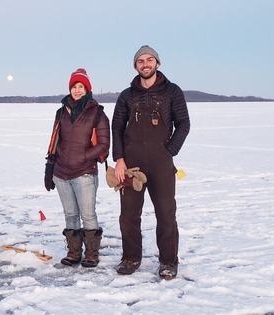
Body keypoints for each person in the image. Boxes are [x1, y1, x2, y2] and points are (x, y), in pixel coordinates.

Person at [111, 45, 190, 280]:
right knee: (128, 215)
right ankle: (131, 257)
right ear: (135, 66)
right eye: (140, 61)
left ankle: (168, 261)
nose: (145, 64)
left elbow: (183, 124)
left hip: (161, 163)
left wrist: (169, 151)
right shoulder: (127, 95)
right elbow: (116, 127)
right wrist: (119, 159)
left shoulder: (172, 92)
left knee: (166, 213)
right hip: (131, 165)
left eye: (149, 60)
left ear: (157, 63)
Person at [45, 68, 110, 268]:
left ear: (87, 89)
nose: (77, 90)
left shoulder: (97, 112)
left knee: (88, 214)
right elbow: (55, 141)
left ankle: (91, 254)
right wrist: (49, 167)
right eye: (74, 86)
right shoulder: (61, 112)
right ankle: (74, 252)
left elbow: (103, 145)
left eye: (81, 86)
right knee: (70, 214)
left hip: (84, 173)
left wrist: (83, 156)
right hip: (61, 173)